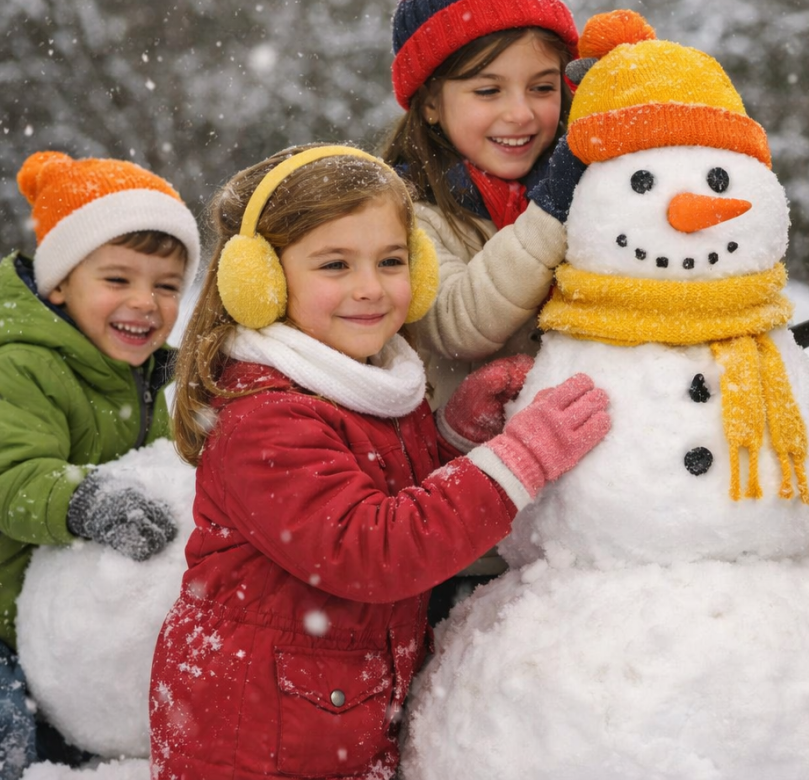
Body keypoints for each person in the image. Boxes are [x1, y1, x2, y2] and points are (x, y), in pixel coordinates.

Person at [149, 144, 610, 780]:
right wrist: (519, 459)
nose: (370, 289)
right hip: (254, 744)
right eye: (335, 264)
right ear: (263, 281)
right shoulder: (266, 418)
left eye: (391, 261)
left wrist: (455, 432)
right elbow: (375, 548)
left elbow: (390, 492)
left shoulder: (368, 380)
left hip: (329, 717)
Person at [0, 151, 201, 777]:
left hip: (62, 625)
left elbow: (166, 464)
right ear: (60, 282)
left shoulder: (140, 376)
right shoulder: (22, 363)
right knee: (10, 729)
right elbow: (11, 477)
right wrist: (86, 502)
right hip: (2, 622)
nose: (145, 302)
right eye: (118, 280)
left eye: (167, 286)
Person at [378, 0, 582, 413]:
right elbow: (458, 323)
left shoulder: (588, 184)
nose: (521, 114)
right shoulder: (407, 214)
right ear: (430, 103)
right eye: (488, 91)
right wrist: (554, 205)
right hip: (461, 466)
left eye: (541, 88)